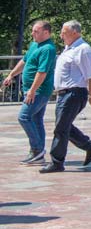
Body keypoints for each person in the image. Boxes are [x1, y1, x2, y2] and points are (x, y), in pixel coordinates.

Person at [40, 21, 91, 174]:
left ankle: (57, 162)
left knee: (61, 128)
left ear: (75, 33)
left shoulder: (83, 49)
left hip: (74, 93)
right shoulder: (68, 49)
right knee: (64, 126)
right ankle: (90, 146)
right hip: (64, 94)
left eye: (64, 32)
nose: (61, 35)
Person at [2, 20, 57, 165]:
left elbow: (42, 72)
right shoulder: (34, 45)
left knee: (24, 117)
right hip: (32, 90)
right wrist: (11, 74)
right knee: (36, 119)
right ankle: (37, 153)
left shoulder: (48, 49)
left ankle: (37, 150)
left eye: (36, 31)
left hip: (39, 91)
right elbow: (24, 61)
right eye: (32, 30)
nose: (32, 33)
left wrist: (32, 91)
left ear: (46, 33)